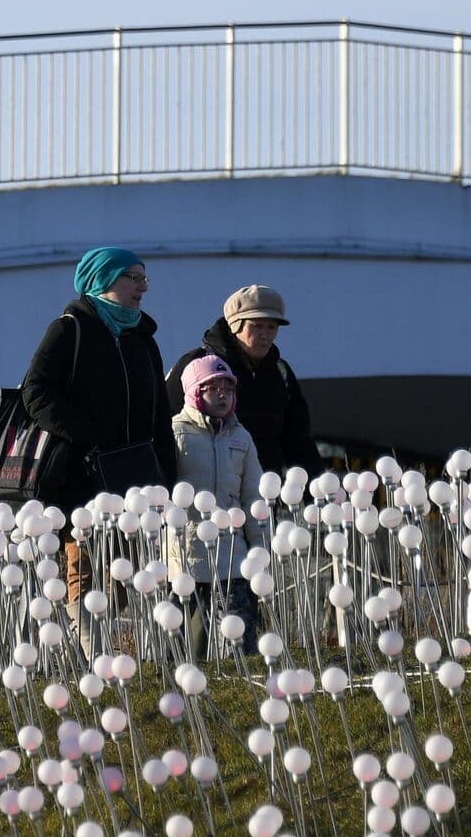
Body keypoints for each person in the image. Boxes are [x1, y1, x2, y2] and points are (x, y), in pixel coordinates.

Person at [21, 247, 179, 629]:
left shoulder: (143, 338)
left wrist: (166, 472)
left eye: (144, 278)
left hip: (136, 476)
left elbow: (159, 411)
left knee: (130, 571)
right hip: (82, 475)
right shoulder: (69, 329)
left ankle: (127, 658)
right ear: (104, 281)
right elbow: (36, 392)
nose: (142, 287)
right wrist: (90, 436)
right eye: (133, 278)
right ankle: (89, 654)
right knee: (86, 567)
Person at [166, 284, 320, 477]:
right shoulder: (196, 365)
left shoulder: (281, 372)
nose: (265, 335)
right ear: (235, 325)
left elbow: (298, 439)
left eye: (272, 327)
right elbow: (165, 426)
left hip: (266, 493)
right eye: (257, 326)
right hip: (205, 495)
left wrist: (317, 488)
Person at [167, 355, 265, 657]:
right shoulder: (174, 432)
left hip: (232, 557)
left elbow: (253, 496)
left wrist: (261, 547)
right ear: (195, 392)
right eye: (213, 387)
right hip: (186, 558)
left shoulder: (241, 437)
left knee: (239, 641)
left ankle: (241, 687)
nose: (223, 394)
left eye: (229, 388)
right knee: (185, 643)